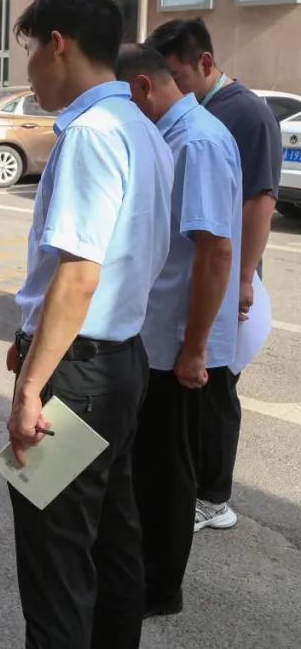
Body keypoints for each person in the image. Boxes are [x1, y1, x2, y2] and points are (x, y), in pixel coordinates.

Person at [4, 0, 174, 648]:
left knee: (56, 562)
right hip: (121, 362)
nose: (28, 69)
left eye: (28, 49)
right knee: (111, 537)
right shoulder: (143, 128)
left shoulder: (91, 134)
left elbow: (78, 277)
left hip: (76, 376)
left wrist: (30, 388)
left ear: (58, 44)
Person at [115, 44, 242, 618]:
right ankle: (140, 570)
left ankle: (159, 589)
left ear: (143, 87)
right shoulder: (171, 135)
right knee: (148, 465)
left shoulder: (197, 142)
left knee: (167, 471)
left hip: (176, 345)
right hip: (157, 337)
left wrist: (194, 350)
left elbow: (216, 251)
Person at [146, 18, 282, 533]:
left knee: (215, 387)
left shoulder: (244, 113)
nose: (173, 89)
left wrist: (245, 279)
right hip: (202, 272)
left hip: (228, 275)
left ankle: (213, 497)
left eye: (178, 76)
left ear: (205, 63)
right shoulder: (195, 112)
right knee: (196, 395)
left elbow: (260, 202)